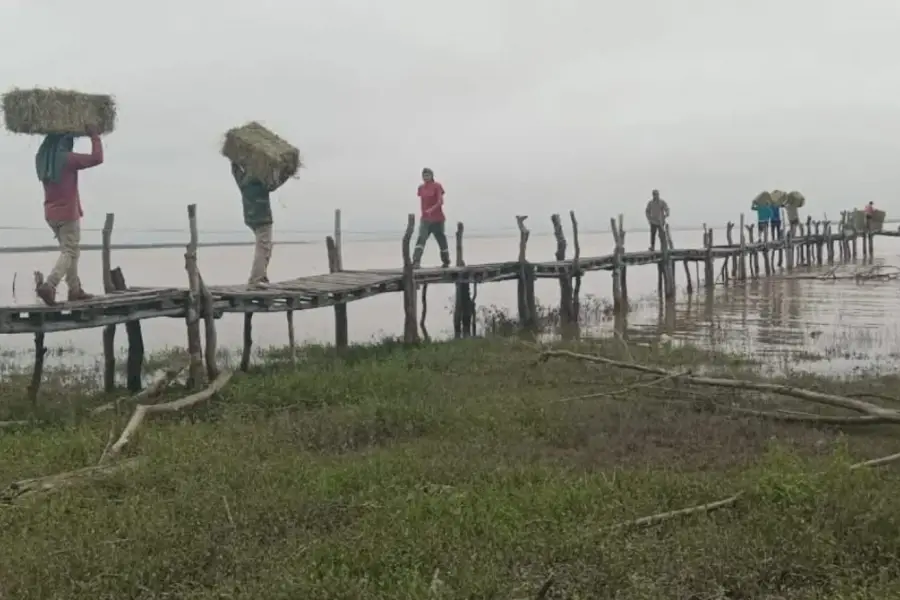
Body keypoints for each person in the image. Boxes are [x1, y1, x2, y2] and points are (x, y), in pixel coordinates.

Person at [34, 128, 104, 306]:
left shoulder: (41, 159)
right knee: (70, 251)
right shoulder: (67, 159)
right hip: (67, 214)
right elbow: (97, 158)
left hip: (51, 214)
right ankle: (50, 285)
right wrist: (94, 136)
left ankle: (74, 290)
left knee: (71, 251)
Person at [232, 162, 281, 286]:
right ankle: (256, 279)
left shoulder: (243, 179)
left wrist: (234, 161)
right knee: (263, 247)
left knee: (265, 245)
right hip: (262, 217)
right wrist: (278, 169)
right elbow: (274, 184)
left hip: (250, 216)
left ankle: (261, 275)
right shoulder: (260, 179)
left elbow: (235, 170)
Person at [413, 167, 450, 268]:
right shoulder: (421, 188)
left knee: (441, 239)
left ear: (432, 176)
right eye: (424, 175)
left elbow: (440, 201)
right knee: (421, 238)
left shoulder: (437, 186)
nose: (426, 177)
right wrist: (426, 212)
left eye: (427, 175)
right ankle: (416, 261)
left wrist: (431, 210)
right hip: (425, 219)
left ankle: (446, 261)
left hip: (438, 219)